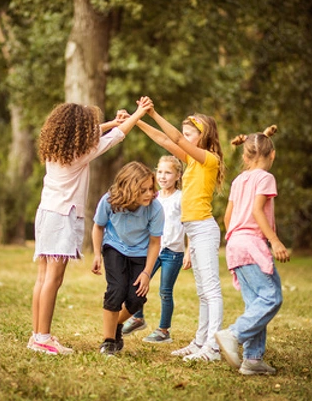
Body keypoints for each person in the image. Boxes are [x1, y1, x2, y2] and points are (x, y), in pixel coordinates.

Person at [28, 97, 153, 355]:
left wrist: (110, 122)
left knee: (42, 278)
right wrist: (137, 114)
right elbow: (116, 136)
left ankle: (37, 335)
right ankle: (43, 338)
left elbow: (97, 132)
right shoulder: (80, 153)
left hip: (46, 214)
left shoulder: (57, 148)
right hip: (63, 216)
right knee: (54, 278)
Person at [134, 103, 225, 363]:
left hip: (204, 229)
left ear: (203, 136)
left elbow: (172, 136)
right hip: (194, 232)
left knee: (211, 290)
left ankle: (214, 347)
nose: (183, 138)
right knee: (203, 292)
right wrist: (138, 120)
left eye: (189, 134)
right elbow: (164, 139)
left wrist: (152, 113)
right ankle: (200, 342)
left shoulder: (209, 160)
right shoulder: (191, 160)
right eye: (184, 134)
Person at [216, 125, 290, 376]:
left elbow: (228, 216)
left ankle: (253, 359)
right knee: (271, 297)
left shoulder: (239, 180)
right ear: (273, 155)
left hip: (235, 244)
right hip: (251, 244)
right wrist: (275, 240)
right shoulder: (266, 178)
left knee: (255, 303)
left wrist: (234, 237)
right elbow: (258, 211)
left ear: (246, 157)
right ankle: (233, 334)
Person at [92, 161, 165, 356]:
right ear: (130, 188)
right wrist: (96, 254)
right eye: (143, 190)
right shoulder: (109, 201)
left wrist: (147, 273)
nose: (149, 193)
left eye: (151, 188)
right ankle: (108, 341)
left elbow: (154, 243)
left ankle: (115, 324)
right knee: (116, 291)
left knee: (136, 299)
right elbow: (98, 227)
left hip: (140, 252)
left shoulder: (155, 208)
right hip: (114, 247)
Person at [122, 155, 191, 343]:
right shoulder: (153, 197)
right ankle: (137, 318)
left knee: (165, 291)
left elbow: (189, 225)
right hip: (152, 250)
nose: (162, 176)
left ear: (178, 175)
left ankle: (163, 331)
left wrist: (189, 251)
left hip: (173, 252)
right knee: (138, 284)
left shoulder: (181, 198)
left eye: (168, 172)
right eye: (159, 171)